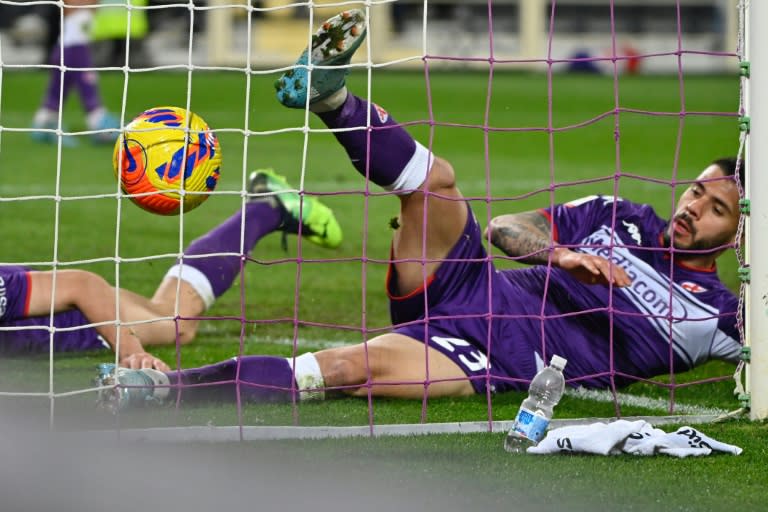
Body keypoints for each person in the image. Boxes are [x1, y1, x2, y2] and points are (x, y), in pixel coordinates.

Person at [96, 9, 743, 411]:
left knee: (349, 369)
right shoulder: (618, 216)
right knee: (435, 181)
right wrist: (561, 254)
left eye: (716, 209)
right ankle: (332, 101)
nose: (693, 209)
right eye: (696, 191)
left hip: (501, 355)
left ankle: (160, 390)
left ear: (741, 238)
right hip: (472, 283)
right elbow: (504, 228)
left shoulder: (727, 316)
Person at [2, 169, 342, 372]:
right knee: (171, 315)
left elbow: (82, 286)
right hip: (40, 306)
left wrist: (133, 353)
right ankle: (264, 208)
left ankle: (265, 210)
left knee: (175, 325)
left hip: (73, 318)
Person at [30, 0, 120, 146]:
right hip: (74, 50)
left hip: (66, 47)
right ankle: (100, 125)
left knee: (58, 90)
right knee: (86, 85)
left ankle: (44, 124)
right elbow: (71, 6)